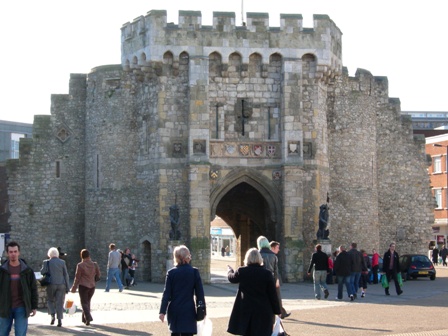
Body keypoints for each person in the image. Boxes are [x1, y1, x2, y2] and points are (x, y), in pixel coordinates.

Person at [227, 248, 281, 336]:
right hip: (264, 310)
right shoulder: (267, 274)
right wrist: (277, 310)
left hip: (247, 310)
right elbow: (273, 294)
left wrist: (229, 270)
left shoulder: (242, 271)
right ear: (260, 259)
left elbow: (231, 278)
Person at [159, 245, 206, 336]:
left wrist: (162, 311)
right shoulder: (194, 272)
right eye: (189, 256)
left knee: (175, 333)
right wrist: (202, 310)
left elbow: (166, 294)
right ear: (186, 258)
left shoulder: (171, 273)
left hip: (175, 310)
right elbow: (200, 294)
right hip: (188, 310)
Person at [0, 241, 37, 336]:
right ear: (7, 253)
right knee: (2, 333)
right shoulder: (2, 270)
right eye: (11, 252)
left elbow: (33, 289)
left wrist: (33, 306)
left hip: (21, 307)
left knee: (20, 334)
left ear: (19, 252)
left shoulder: (27, 270)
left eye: (15, 251)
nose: (13, 254)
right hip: (4, 307)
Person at [70, 249, 101, 326]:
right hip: (92, 286)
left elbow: (77, 278)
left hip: (83, 286)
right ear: (89, 255)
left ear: (81, 256)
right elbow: (99, 274)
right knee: (87, 302)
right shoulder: (94, 264)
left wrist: (73, 288)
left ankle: (88, 317)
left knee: (84, 302)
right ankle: (85, 320)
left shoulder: (80, 265)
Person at [41, 247, 70, 327]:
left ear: (49, 254)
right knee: (59, 302)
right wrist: (67, 286)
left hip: (51, 284)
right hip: (61, 284)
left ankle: (52, 314)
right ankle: (59, 320)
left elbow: (42, 272)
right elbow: (66, 275)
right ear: (57, 254)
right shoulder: (62, 262)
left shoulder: (46, 262)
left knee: (50, 300)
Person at [269, 240, 290, 319]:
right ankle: (281, 313)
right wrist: (277, 279)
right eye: (277, 247)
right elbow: (275, 270)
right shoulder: (272, 256)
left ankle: (282, 312)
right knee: (277, 297)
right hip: (272, 280)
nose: (279, 249)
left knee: (277, 298)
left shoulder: (273, 256)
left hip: (272, 279)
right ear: (273, 248)